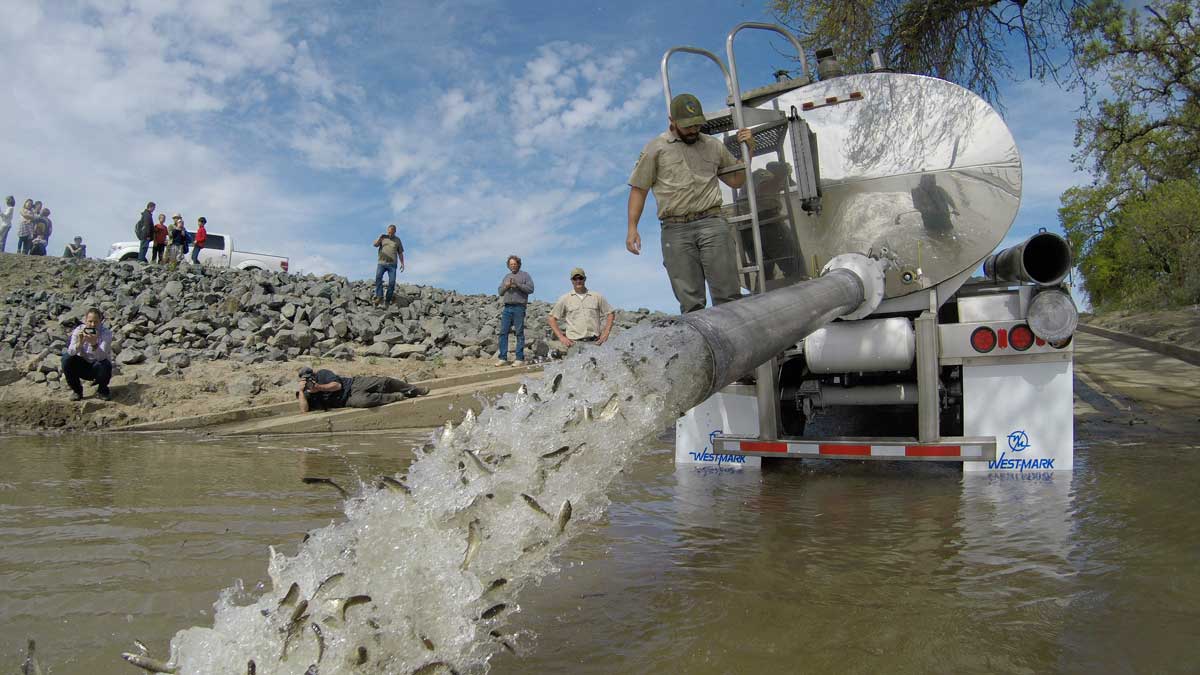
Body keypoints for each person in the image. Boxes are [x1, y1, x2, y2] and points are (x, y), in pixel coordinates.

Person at [626, 93, 753, 313]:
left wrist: (749, 150)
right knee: (691, 303)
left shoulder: (713, 146)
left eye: (697, 124)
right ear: (672, 120)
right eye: (687, 126)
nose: (694, 130)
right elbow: (639, 189)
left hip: (712, 223)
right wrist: (632, 228)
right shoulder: (655, 148)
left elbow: (736, 181)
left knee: (728, 296)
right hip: (675, 230)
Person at [296, 366, 428, 412]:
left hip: (352, 384)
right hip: (346, 399)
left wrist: (319, 387)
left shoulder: (322, 374)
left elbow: (337, 386)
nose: (310, 382)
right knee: (364, 402)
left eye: (311, 378)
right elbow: (304, 410)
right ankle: (395, 396)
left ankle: (414, 390)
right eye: (306, 380)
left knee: (384, 381)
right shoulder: (305, 393)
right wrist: (302, 391)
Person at [548, 267, 615, 354]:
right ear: (571, 281)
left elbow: (610, 313)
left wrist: (606, 333)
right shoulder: (565, 299)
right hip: (574, 344)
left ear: (585, 279)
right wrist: (561, 337)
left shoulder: (597, 297)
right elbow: (551, 318)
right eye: (575, 279)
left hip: (595, 343)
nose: (578, 281)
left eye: (580, 278)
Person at [62, 307, 113, 401]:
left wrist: (94, 344)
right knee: (66, 359)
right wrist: (80, 343)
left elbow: (102, 357)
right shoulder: (79, 330)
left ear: (100, 321)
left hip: (98, 367)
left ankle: (102, 390)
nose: (93, 325)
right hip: (82, 365)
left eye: (96, 322)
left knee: (105, 364)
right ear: (85, 321)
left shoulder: (106, 333)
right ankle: (77, 391)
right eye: (90, 321)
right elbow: (70, 352)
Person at [495, 254, 534, 366]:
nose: (513, 266)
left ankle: (519, 359)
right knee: (503, 333)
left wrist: (518, 284)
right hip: (507, 307)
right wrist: (506, 286)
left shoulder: (525, 275)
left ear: (518, 264)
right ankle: (502, 358)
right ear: (508, 265)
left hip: (519, 307)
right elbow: (500, 292)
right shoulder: (506, 276)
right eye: (511, 264)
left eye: (515, 264)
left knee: (519, 333)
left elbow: (531, 289)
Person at [372, 224, 405, 305]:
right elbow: (375, 245)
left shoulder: (397, 240)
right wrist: (379, 237)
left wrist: (402, 263)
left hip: (392, 264)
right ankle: (379, 296)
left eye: (392, 232)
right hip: (382, 263)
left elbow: (400, 253)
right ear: (387, 230)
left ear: (395, 232)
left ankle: (388, 299)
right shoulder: (383, 237)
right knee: (378, 277)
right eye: (389, 232)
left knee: (392, 282)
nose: (390, 234)